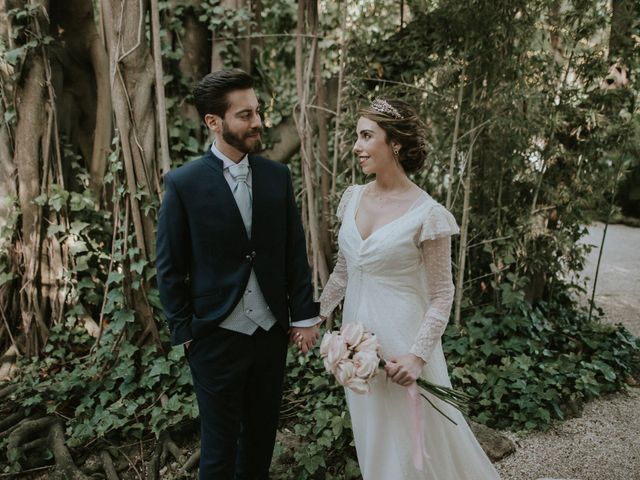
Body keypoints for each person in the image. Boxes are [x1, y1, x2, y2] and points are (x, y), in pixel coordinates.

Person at [318, 99, 500, 479]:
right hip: (356, 347)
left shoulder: (427, 213)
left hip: (404, 344)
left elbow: (441, 294)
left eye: (366, 136)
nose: (357, 146)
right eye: (357, 136)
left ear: (394, 143)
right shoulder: (352, 197)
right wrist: (314, 315)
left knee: (415, 446)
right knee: (375, 439)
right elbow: (343, 271)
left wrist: (417, 357)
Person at [156, 69, 321, 480]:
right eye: (245, 115)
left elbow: (292, 252)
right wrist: (186, 331)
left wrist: (303, 315)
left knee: (261, 439)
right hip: (214, 336)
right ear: (214, 122)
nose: (258, 122)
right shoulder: (183, 184)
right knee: (219, 445)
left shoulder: (276, 177)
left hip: (269, 334)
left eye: (258, 112)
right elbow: (169, 266)